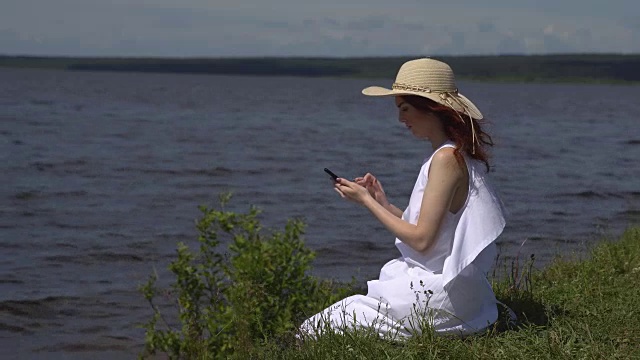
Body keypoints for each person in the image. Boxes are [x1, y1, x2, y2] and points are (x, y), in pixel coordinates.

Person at [300, 58, 506, 338]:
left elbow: (421, 240)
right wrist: (383, 202)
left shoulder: (446, 158)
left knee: (313, 329)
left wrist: (367, 202)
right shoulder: (452, 154)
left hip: (437, 292)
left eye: (405, 108)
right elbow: (430, 227)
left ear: (431, 109)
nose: (400, 119)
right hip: (457, 291)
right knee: (339, 316)